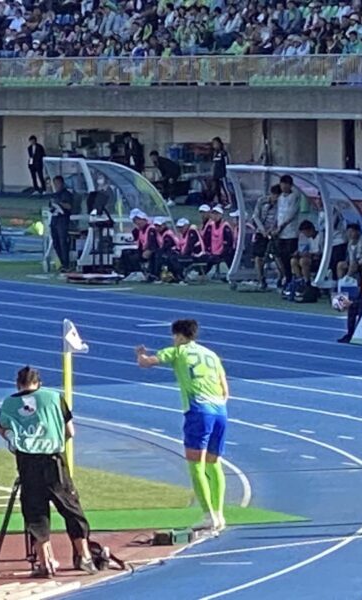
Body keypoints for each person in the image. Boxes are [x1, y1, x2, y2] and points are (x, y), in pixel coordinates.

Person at [0, 366, 96, 578]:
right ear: (39, 382)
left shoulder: (9, 403)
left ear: (18, 383)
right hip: (54, 461)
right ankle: (85, 557)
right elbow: (70, 431)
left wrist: (13, 437)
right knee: (71, 508)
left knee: (35, 512)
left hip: (27, 463)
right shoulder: (54, 398)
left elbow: (0, 428)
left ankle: (45, 563)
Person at [135, 320, 229, 532]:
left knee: (196, 464)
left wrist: (140, 355)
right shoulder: (211, 355)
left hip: (198, 410)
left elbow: (147, 363)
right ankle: (220, 514)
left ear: (178, 335)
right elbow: (225, 389)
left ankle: (208, 515)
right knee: (214, 464)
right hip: (220, 411)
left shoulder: (178, 351)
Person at [275, 175, 300, 289]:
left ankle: (292, 278)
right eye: (282, 184)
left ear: (290, 185)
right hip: (281, 233)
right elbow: (279, 214)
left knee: (290, 256)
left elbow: (291, 214)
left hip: (291, 232)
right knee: (281, 256)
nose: (284, 186)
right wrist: (276, 227)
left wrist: (281, 226)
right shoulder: (280, 198)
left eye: (286, 184)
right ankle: (286, 276)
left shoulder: (295, 196)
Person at [252, 184, 280, 290]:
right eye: (275, 195)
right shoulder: (262, 201)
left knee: (277, 256)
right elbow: (256, 216)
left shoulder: (281, 204)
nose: (276, 198)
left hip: (274, 232)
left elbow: (279, 218)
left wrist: (272, 229)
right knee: (258, 256)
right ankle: (261, 279)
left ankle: (281, 278)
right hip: (261, 232)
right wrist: (262, 230)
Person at [47, 175, 73, 272]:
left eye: (57, 183)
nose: (56, 185)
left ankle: (66, 264)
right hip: (55, 218)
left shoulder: (66, 194)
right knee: (56, 242)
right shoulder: (55, 194)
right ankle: (62, 262)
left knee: (63, 242)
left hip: (63, 219)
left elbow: (69, 206)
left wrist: (60, 204)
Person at [289, 220, 323, 287]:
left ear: (310, 230)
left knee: (303, 261)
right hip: (310, 257)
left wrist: (310, 254)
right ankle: (300, 280)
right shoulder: (309, 239)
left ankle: (307, 282)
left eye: (305, 233)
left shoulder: (321, 237)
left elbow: (321, 252)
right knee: (293, 261)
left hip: (318, 259)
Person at [206, 205, 235, 271]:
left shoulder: (225, 226)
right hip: (213, 252)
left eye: (217, 214)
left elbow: (228, 242)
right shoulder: (211, 225)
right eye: (213, 214)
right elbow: (207, 239)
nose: (215, 216)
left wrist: (222, 253)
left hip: (223, 253)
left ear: (221, 215)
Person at [210, 137, 230, 207]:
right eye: (213, 144)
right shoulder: (215, 153)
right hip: (216, 174)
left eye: (215, 143)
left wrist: (227, 173)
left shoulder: (223, 153)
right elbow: (214, 164)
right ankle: (220, 202)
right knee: (217, 189)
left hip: (222, 174)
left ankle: (229, 202)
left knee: (225, 188)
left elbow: (227, 163)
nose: (214, 145)